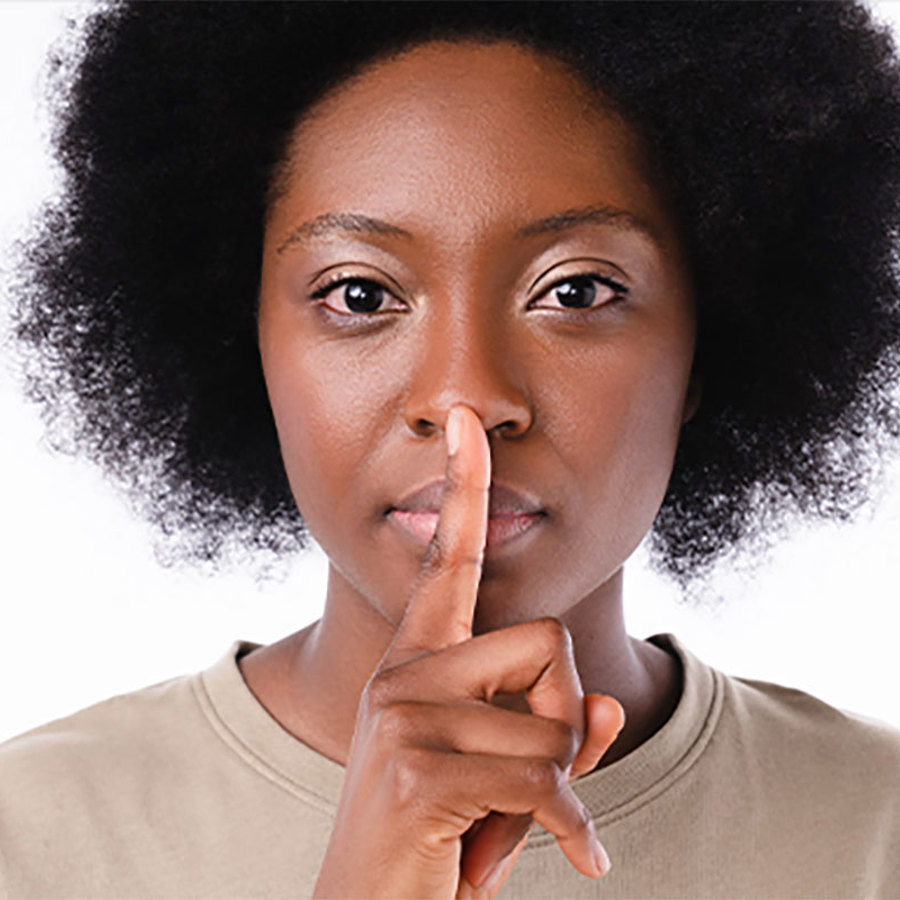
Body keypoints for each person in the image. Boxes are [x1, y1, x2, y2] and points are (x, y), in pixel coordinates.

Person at [2, 2, 900, 897]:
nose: (465, 397)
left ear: (707, 343)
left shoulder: (877, 828)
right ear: (242, 341)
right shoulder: (30, 838)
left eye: (576, 290)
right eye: (358, 295)